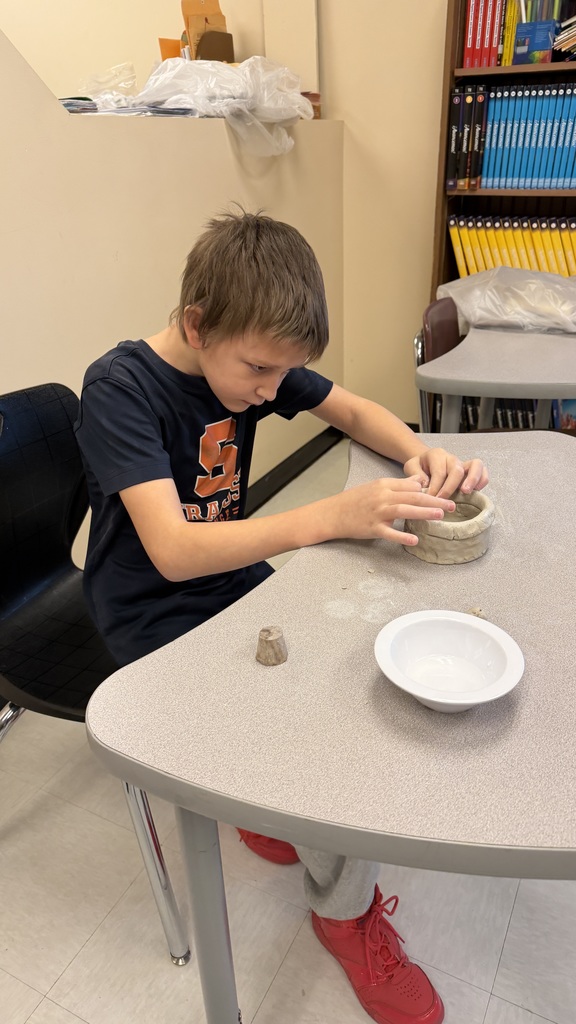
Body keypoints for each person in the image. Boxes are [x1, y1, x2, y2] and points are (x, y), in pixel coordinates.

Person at [75, 209, 488, 1024]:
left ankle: (283, 815)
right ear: (197, 324)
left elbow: (354, 410)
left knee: (352, 662)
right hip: (149, 610)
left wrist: (420, 451)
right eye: (260, 372)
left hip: (227, 578)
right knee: (321, 737)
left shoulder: (255, 353)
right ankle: (344, 915)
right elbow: (173, 552)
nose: (270, 392)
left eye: (284, 374)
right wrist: (329, 517)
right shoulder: (120, 388)